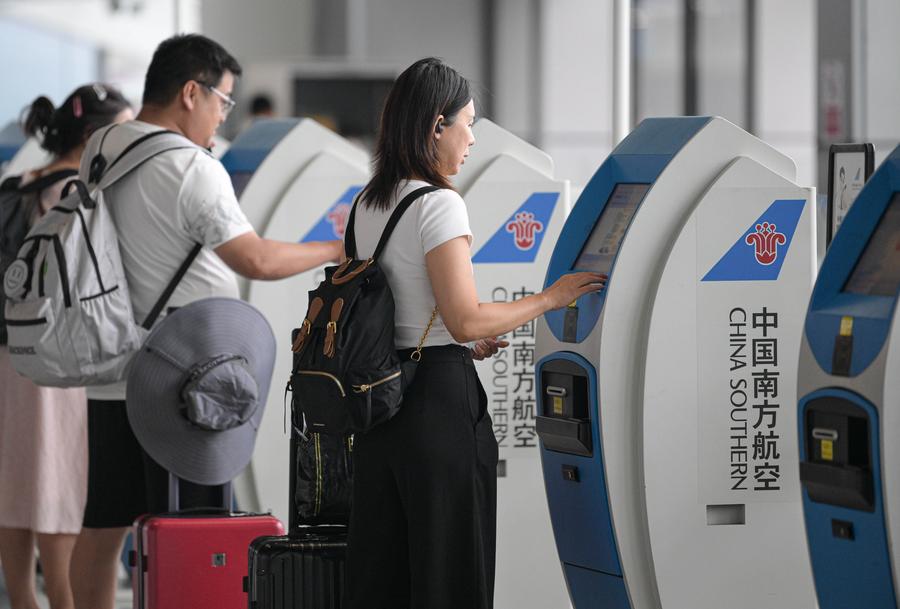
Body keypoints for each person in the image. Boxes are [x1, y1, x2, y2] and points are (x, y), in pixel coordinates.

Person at [68, 34, 342, 609]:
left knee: (103, 524)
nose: (223, 116)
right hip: (184, 386)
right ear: (190, 92)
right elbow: (257, 260)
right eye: (222, 101)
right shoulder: (190, 166)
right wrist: (334, 249)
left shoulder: (104, 144)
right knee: (197, 531)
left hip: (111, 368)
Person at [345, 57, 605, 609]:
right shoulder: (438, 205)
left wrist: (464, 334)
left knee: (386, 578)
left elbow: (404, 309)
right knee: (450, 575)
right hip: (437, 404)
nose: (471, 140)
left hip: (378, 409)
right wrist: (551, 298)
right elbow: (464, 319)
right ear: (435, 125)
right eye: (467, 123)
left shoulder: (368, 203)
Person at [0, 85, 132, 609]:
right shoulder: (74, 193)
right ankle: (62, 599)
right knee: (58, 479)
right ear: (93, 134)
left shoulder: (16, 183)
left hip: (9, 352)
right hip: (57, 357)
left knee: (14, 477)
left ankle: (23, 599)